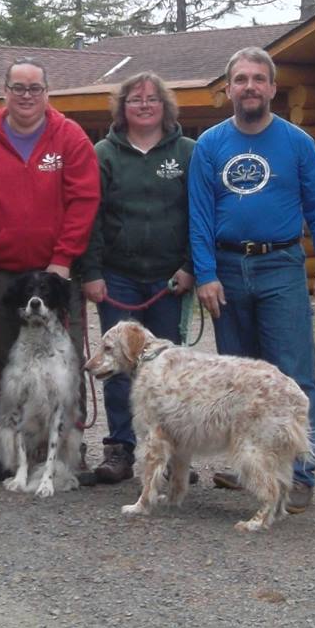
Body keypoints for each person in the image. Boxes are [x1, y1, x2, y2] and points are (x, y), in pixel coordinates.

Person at [188, 45, 315, 512]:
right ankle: (251, 468)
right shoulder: (210, 145)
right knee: (239, 380)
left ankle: (299, 474)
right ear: (228, 89)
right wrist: (205, 274)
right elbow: (199, 215)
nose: (250, 86)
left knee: (294, 376)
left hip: (280, 266)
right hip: (228, 270)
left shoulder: (296, 143)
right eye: (241, 79)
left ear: (273, 87)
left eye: (258, 78)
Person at [0, 58, 100, 369]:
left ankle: (69, 419)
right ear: (5, 91)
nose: (27, 96)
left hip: (55, 272)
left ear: (47, 93)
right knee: (2, 362)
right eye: (18, 88)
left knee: (64, 364)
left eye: (35, 88)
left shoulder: (71, 137)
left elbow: (83, 202)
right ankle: (7, 419)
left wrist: (63, 258)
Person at [77, 71, 195, 486]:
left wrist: (190, 267)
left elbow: (198, 217)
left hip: (169, 279)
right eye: (135, 99)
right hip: (118, 276)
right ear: (122, 107)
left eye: (151, 99)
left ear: (165, 105)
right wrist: (91, 272)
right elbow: (89, 217)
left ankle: (173, 454)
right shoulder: (103, 154)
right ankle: (120, 449)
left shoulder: (187, 152)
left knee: (169, 369)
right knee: (118, 364)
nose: (144, 105)